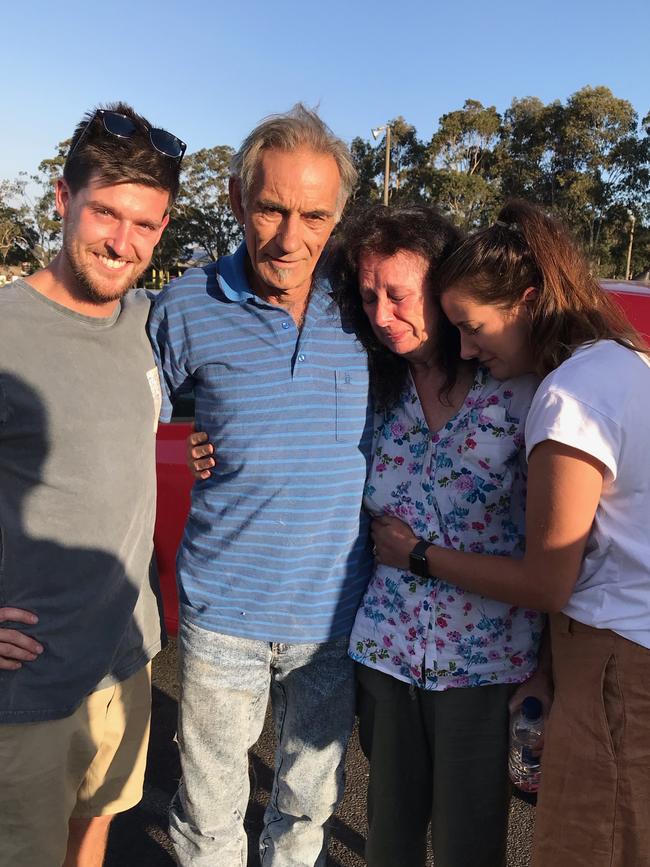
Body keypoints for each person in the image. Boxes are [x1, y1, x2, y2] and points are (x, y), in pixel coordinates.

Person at [371, 199, 650, 867]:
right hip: (621, 648)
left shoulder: (565, 396)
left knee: (591, 844)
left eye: (473, 327)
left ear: (527, 301)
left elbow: (546, 580)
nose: (466, 348)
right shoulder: (623, 361)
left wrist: (417, 554)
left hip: (615, 660)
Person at [147, 104, 373, 867]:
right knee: (210, 816)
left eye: (314, 214)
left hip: (333, 619)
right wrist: (183, 436)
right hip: (224, 614)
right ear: (239, 200)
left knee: (306, 810)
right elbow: (122, 412)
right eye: (271, 208)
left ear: (338, 216)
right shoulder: (184, 304)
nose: (289, 236)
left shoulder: (366, 309)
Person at [327, 204, 541, 867]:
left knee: (468, 848)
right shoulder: (371, 390)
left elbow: (560, 551)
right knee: (388, 841)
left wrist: (548, 675)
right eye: (368, 297)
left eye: (398, 292)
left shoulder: (516, 392)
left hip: (486, 667)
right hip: (386, 655)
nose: (382, 314)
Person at [0, 102, 184, 867]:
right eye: (106, 212)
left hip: (127, 654)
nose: (123, 242)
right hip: (29, 681)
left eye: (146, 224)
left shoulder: (146, 320)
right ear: (62, 200)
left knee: (98, 828)